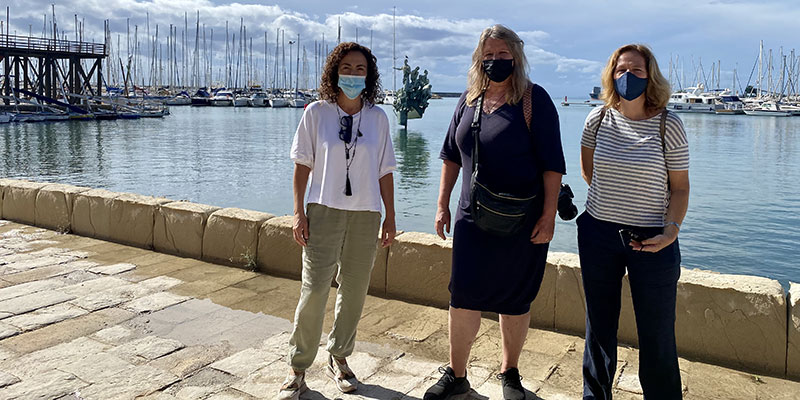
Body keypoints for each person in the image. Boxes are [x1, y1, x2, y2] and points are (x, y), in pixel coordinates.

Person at [427, 25, 566, 400]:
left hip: (523, 218)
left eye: (503, 55)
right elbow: (451, 156)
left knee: (515, 298)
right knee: (464, 295)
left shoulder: (535, 100)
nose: (495, 62)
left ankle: (510, 372)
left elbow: (553, 164)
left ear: (517, 57)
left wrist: (548, 216)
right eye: (488, 55)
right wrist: (441, 204)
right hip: (471, 218)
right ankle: (457, 375)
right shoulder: (468, 99)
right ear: (478, 58)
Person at [279, 42, 397, 400]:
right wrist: (298, 212)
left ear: (369, 76)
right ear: (335, 71)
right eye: (347, 67)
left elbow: (385, 171)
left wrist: (390, 215)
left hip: (366, 214)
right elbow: (302, 166)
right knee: (314, 289)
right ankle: (298, 367)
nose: (353, 74)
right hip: (323, 210)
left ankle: (340, 357)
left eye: (361, 69)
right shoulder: (316, 113)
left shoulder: (377, 118)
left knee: (355, 291)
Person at [578, 44, 689, 399]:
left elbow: (681, 189)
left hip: (654, 241)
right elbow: (588, 172)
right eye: (621, 70)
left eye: (637, 71)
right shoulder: (596, 119)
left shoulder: (669, 124)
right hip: (598, 234)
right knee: (599, 330)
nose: (628, 77)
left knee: (657, 334)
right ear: (611, 75)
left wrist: (670, 232)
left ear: (650, 75)